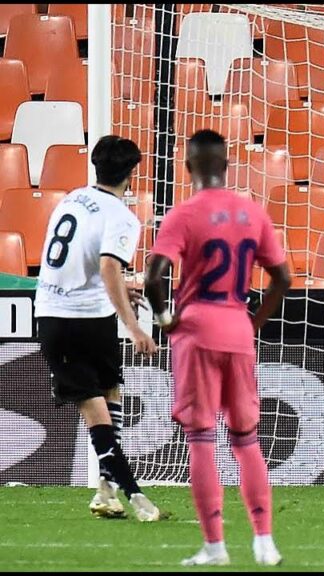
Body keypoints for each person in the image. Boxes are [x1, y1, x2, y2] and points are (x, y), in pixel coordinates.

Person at [145, 129, 291, 567]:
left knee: (202, 440)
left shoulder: (183, 214)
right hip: (238, 331)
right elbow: (282, 278)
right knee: (247, 440)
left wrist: (166, 320)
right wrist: (253, 323)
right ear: (226, 166)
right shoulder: (252, 212)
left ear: (187, 168)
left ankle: (215, 546)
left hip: (197, 329)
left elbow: (154, 278)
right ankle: (265, 542)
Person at [34, 135, 162, 520]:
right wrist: (136, 328)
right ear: (132, 173)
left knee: (109, 392)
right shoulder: (122, 216)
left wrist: (120, 294)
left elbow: (81, 260)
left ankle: (105, 490)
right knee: (97, 409)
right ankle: (137, 497)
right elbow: (108, 265)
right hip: (85, 318)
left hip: (57, 313)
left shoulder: (71, 199)